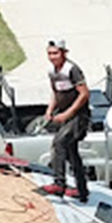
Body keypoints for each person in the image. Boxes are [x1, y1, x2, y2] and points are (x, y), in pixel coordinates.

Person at [41, 37, 91, 203]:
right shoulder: (52, 71)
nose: (52, 57)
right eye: (50, 53)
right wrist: (50, 110)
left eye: (55, 53)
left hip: (78, 117)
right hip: (64, 114)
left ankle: (59, 183)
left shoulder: (72, 69)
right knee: (71, 153)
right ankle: (82, 190)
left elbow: (84, 94)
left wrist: (68, 113)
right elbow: (56, 93)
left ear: (64, 53)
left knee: (59, 143)